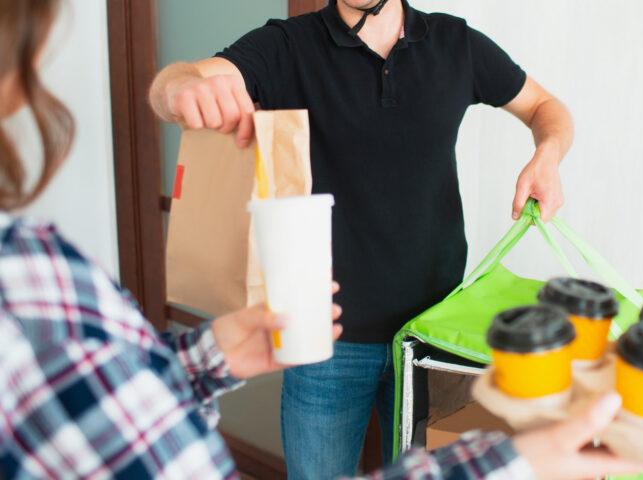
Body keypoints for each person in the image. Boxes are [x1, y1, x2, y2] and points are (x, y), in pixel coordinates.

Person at [150, 1, 574, 477]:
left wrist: (548, 153)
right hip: (324, 339)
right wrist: (183, 90)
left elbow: (545, 107)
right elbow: (175, 84)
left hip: (434, 334)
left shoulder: (457, 44)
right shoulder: (287, 45)